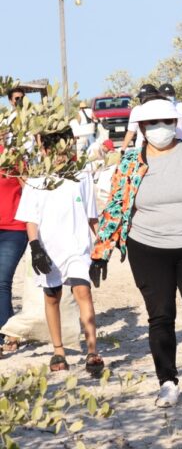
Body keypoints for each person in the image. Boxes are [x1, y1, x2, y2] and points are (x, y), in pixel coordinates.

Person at [92, 99, 182, 407]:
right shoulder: (131, 162)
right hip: (147, 247)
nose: (161, 129)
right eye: (153, 123)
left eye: (167, 122)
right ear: (143, 128)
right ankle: (168, 381)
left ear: (176, 124)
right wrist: (101, 251)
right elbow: (117, 207)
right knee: (160, 315)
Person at [14, 129, 104, 375]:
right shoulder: (36, 179)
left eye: (65, 147)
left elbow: (91, 216)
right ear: (44, 150)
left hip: (77, 247)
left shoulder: (82, 175)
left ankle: (92, 351)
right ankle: (59, 350)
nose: (60, 154)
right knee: (52, 297)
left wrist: (101, 246)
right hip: (48, 248)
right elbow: (30, 219)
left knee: (83, 292)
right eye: (53, 149)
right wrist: (34, 247)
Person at [0, 142, 26, 357]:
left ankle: (6, 332)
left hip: (14, 229)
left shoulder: (13, 156)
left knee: (2, 280)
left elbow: (29, 188)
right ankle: (9, 329)